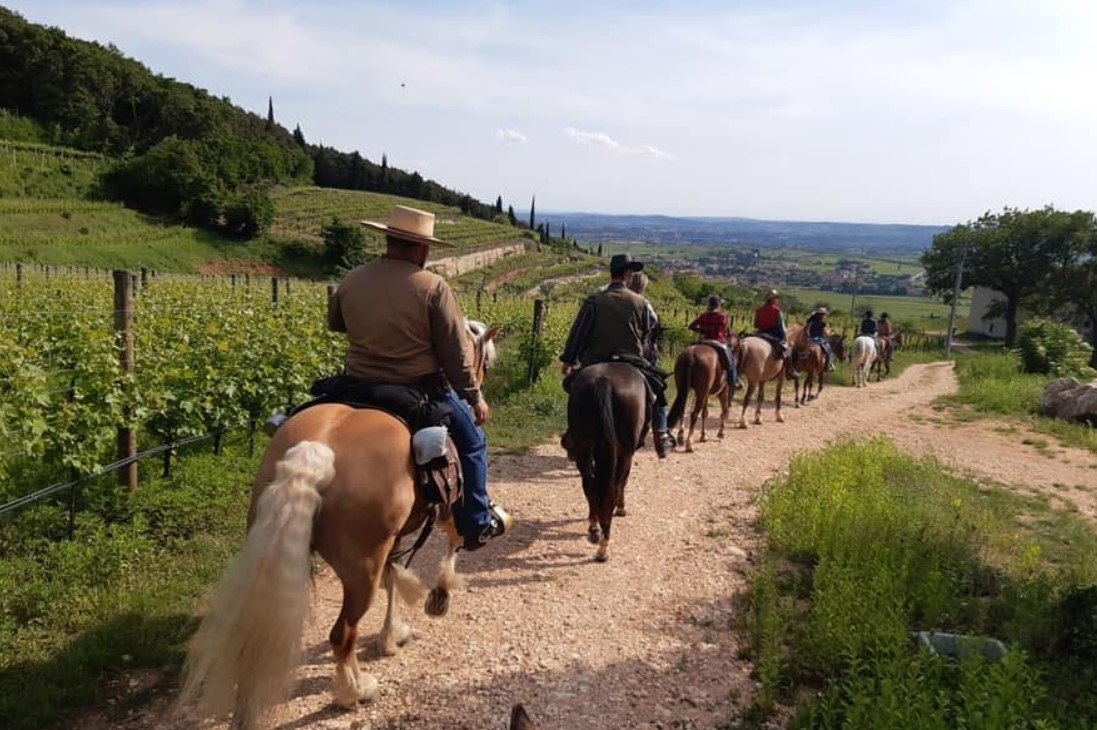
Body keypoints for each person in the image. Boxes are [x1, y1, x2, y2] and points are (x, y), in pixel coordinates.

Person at [327, 205, 508, 552]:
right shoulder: (433, 286)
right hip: (416, 388)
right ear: (421, 248)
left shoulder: (353, 278)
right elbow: (455, 353)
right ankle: (476, 523)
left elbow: (337, 324)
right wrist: (474, 397)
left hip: (355, 384)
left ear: (389, 240)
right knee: (473, 443)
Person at [560, 253, 673, 458]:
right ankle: (661, 435)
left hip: (595, 360)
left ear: (611, 273)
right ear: (628, 274)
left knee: (573, 388)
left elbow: (579, 332)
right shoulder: (642, 303)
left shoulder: (593, 300)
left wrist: (569, 360)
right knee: (659, 393)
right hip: (632, 360)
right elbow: (650, 335)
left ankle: (573, 434)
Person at [688, 295, 740, 390]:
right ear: (718, 305)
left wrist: (702, 331)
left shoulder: (703, 315)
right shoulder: (722, 316)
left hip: (703, 341)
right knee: (731, 361)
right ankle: (733, 381)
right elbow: (724, 330)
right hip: (717, 341)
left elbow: (691, 326)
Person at [753, 289, 797, 376]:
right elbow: (781, 327)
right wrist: (784, 337)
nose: (777, 300)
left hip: (759, 334)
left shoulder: (759, 310)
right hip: (773, 335)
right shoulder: (777, 311)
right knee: (788, 349)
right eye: (776, 298)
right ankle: (790, 370)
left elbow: (755, 325)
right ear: (773, 300)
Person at [628, 272, 660, 367]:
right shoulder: (644, 302)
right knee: (653, 350)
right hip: (637, 340)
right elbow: (654, 320)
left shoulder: (621, 298)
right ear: (642, 287)